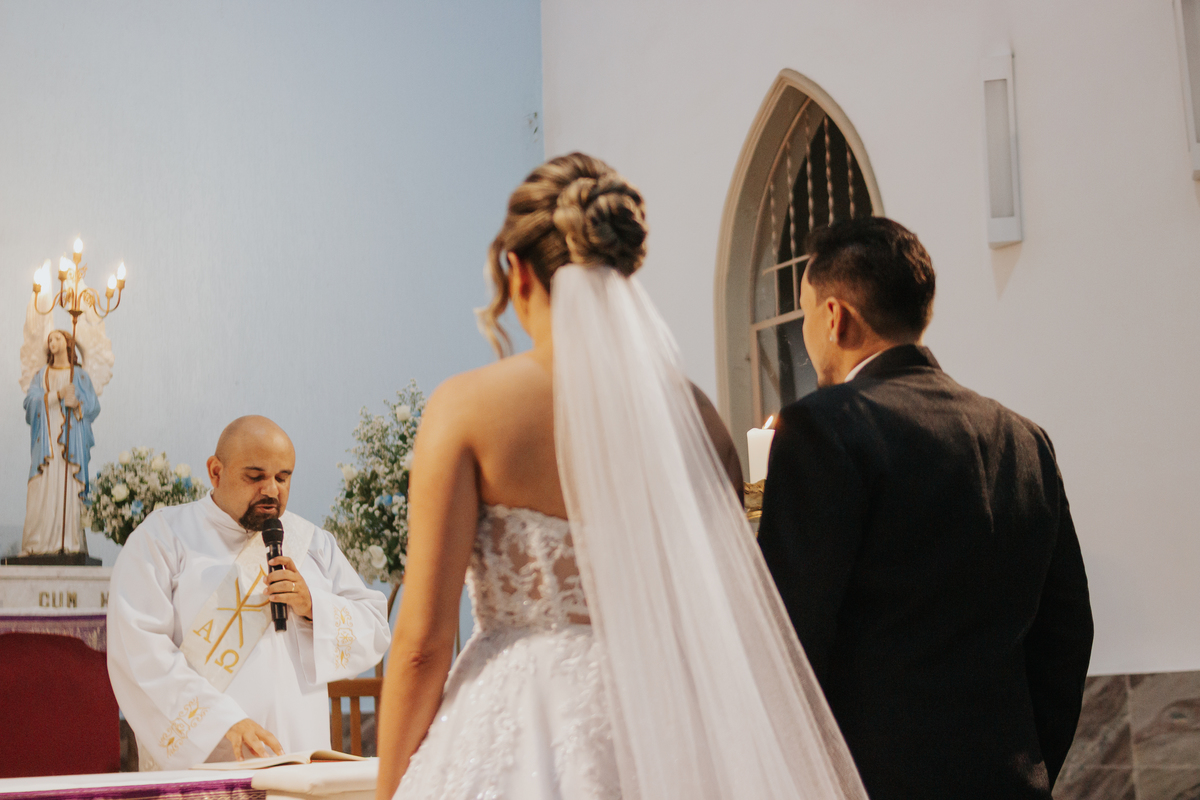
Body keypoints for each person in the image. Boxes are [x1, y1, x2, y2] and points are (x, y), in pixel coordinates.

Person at [375, 153, 867, 800]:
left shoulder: (466, 409)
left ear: (517, 271)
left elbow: (421, 644)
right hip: (668, 725)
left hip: (522, 720)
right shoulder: (698, 419)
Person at [756, 217, 1094, 799]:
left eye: (806, 315)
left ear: (835, 317)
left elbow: (791, 635)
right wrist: (1027, 762)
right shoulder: (1023, 437)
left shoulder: (825, 427)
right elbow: (1066, 631)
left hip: (870, 781)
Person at [107, 416, 391, 770]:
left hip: (303, 758)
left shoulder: (312, 542)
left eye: (282, 477)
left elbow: (376, 628)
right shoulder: (163, 539)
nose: (271, 490)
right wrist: (221, 722)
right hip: (213, 760)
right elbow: (138, 651)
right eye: (255, 477)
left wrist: (313, 607)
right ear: (215, 472)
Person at [21, 330, 100, 556]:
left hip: (71, 443)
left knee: (68, 487)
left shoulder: (80, 376)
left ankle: (68, 542)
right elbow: (29, 403)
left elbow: (93, 406)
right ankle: (35, 544)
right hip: (46, 443)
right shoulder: (41, 374)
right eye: (49, 339)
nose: (52, 342)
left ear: (67, 342)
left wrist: (77, 404)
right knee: (40, 489)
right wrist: (57, 395)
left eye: (57, 338)